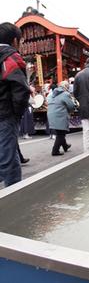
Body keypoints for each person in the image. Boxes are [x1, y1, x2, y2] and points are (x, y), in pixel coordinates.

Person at [0, 22, 30, 186]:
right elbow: (20, 89)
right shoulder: (11, 56)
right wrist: (17, 113)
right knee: (9, 157)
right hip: (5, 113)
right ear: (14, 40)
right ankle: (14, 198)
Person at [47, 80, 75, 156]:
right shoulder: (65, 94)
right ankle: (55, 151)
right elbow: (71, 106)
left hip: (51, 114)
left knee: (60, 131)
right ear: (66, 87)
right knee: (61, 134)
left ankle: (65, 146)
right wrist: (71, 110)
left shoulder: (52, 94)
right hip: (60, 115)